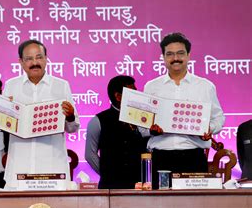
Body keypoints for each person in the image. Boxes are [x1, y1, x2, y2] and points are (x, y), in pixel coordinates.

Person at [144, 33, 225, 189]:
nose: (176, 58)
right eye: (170, 54)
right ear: (163, 57)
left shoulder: (205, 86)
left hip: (193, 157)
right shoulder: (151, 87)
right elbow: (143, 126)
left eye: (180, 53)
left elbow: (218, 118)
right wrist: (151, 130)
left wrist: (210, 129)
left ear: (189, 55)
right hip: (161, 157)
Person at [3, 39, 80, 189]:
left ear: (46, 59)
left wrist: (70, 116)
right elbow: (5, 126)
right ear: (21, 62)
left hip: (52, 167)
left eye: (39, 57)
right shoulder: (11, 86)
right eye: (29, 59)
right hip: (20, 166)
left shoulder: (61, 85)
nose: (35, 63)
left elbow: (72, 128)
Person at [85, 75, 148, 189]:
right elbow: (90, 155)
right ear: (118, 96)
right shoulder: (98, 121)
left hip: (140, 186)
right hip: (110, 186)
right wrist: (107, 174)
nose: (137, 97)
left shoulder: (143, 118)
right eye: (132, 93)